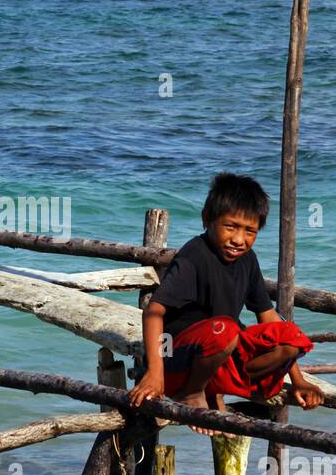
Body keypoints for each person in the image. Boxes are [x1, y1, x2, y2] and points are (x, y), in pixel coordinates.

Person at [127, 172, 324, 435]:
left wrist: (298, 379)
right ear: (207, 219)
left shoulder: (248, 259)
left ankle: (216, 390)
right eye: (230, 227)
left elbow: (270, 320)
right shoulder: (194, 255)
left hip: (219, 357)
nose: (239, 239)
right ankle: (193, 394)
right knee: (226, 329)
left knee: (291, 336)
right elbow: (154, 311)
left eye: (250, 231)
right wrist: (154, 372)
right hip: (179, 361)